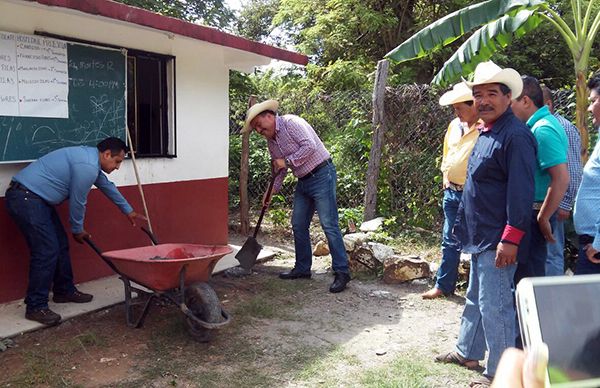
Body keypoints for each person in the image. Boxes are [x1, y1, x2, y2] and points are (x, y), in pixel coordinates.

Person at [435, 61, 537, 386]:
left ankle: (500, 376)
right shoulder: (487, 129)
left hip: (498, 239)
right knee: (476, 298)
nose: (484, 101)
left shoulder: (516, 136)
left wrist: (511, 238)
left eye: (492, 94)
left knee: (496, 307)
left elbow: (521, 193)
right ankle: (467, 351)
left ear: (508, 97)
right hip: (479, 236)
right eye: (478, 95)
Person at [5, 137, 147, 326]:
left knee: (60, 245)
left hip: (36, 200)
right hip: (26, 199)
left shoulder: (90, 161)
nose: (118, 167)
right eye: (117, 161)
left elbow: (106, 186)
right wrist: (77, 229)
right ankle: (35, 306)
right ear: (106, 154)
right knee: (46, 250)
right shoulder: (87, 166)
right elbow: (78, 201)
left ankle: (63, 291)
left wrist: (128, 210)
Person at [241, 100, 351, 293]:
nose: (259, 130)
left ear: (269, 116)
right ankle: (302, 268)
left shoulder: (292, 123)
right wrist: (271, 191)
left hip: (322, 174)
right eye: (255, 128)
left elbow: (309, 146)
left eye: (259, 124)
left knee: (329, 224)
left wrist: (287, 161)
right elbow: (279, 169)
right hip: (303, 180)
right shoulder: (271, 141)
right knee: (298, 224)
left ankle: (342, 272)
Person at [422, 82, 480, 299]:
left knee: (477, 243)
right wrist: (446, 177)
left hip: (474, 195)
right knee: (449, 240)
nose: (456, 112)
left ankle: (475, 292)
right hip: (452, 192)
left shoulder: (486, 127)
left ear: (473, 105)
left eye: (459, 108)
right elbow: (448, 154)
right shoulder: (454, 126)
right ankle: (444, 286)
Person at [510, 76, 569, 283]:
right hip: (534, 211)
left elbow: (561, 178)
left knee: (529, 278)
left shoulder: (542, 129)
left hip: (536, 212)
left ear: (526, 101)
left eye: (512, 103)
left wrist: (543, 216)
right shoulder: (540, 124)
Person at [540, 85, 583, 276]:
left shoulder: (563, 127)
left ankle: (552, 298)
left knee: (552, 252)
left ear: (548, 104)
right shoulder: (539, 126)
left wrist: (565, 203)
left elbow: (573, 170)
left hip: (556, 203)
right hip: (543, 201)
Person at [573, 73, 600, 275]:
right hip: (591, 241)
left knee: (585, 306)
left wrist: (599, 243)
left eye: (593, 101)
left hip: (596, 247)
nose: (589, 108)